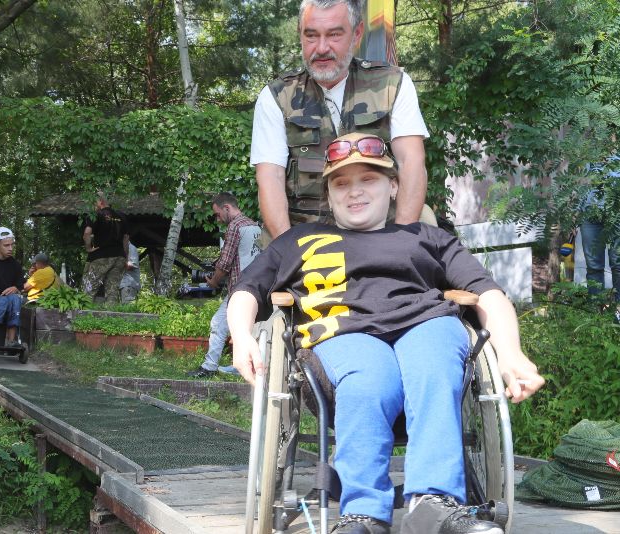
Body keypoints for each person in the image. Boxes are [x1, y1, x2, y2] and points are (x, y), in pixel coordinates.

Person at [227, 133, 545, 534]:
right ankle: (363, 514)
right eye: (341, 183)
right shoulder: (298, 241)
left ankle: (434, 506)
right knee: (371, 377)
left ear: (393, 186)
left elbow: (488, 294)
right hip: (343, 334)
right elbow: (246, 291)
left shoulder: (426, 237)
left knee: (433, 364)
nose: (355, 191)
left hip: (426, 324)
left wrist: (511, 353)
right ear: (329, 195)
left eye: (369, 180)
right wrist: (242, 337)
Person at [251, 0, 433, 245]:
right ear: (300, 35)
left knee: (426, 221)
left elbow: (411, 162)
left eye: (334, 34)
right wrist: (291, 253)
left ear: (357, 34)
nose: (321, 48)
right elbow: (269, 178)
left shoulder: (392, 84)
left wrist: (398, 245)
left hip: (382, 232)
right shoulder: (276, 96)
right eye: (311, 35)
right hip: (306, 237)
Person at [187, 193, 261, 378]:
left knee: (218, 323)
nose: (218, 219)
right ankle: (243, 366)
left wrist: (213, 281)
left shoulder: (235, 226)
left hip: (240, 288)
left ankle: (209, 367)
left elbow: (225, 263)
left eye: (218, 214)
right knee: (245, 328)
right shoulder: (254, 226)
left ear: (227, 207)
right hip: (257, 285)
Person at [578, 154, 620, 323]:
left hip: (616, 213)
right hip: (589, 214)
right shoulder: (586, 150)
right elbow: (577, 183)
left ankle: (618, 314)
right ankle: (596, 316)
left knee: (618, 264)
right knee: (593, 267)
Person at [82, 192, 129, 305]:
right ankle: (111, 313)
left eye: (95, 202)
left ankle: (83, 314)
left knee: (89, 289)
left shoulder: (95, 215)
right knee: (112, 290)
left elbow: (87, 234)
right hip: (119, 257)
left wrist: (88, 248)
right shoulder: (122, 216)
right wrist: (125, 256)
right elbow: (126, 238)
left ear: (101, 202)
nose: (94, 205)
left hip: (101, 256)